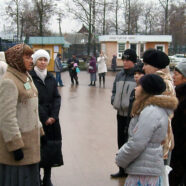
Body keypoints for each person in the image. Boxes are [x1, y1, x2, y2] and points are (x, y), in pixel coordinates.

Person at [115, 74, 178, 186]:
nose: (135, 88)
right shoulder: (153, 109)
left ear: (146, 90)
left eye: (139, 85)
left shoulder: (150, 112)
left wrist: (120, 158)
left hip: (144, 172)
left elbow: (137, 143)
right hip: (146, 168)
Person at [0, 44, 44, 186]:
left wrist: (41, 131)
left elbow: (32, 108)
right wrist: (15, 146)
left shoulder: (25, 77)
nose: (31, 60)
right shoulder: (9, 81)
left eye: (31, 57)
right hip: (19, 147)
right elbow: (6, 117)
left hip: (30, 143)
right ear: (16, 59)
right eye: (27, 57)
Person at [30, 49, 63, 186]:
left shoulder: (51, 78)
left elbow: (57, 97)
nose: (43, 62)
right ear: (35, 61)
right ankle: (36, 176)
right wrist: (45, 117)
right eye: (40, 59)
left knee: (50, 148)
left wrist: (54, 116)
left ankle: (47, 177)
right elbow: (32, 99)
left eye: (45, 60)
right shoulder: (29, 78)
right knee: (38, 148)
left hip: (52, 121)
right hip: (37, 120)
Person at [142, 49, 175, 165]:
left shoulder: (161, 84)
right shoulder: (161, 81)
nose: (143, 68)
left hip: (158, 145)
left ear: (155, 66)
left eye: (146, 64)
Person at [111, 49, 137, 178]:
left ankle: (130, 170)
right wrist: (113, 100)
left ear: (134, 61)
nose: (125, 62)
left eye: (128, 60)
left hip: (131, 116)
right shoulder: (120, 75)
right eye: (124, 60)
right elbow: (114, 90)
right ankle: (122, 170)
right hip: (120, 114)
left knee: (130, 143)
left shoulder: (137, 76)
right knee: (120, 141)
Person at [169, 61, 186, 186]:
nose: (173, 76)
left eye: (176, 74)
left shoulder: (182, 97)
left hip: (181, 148)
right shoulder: (177, 94)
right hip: (176, 147)